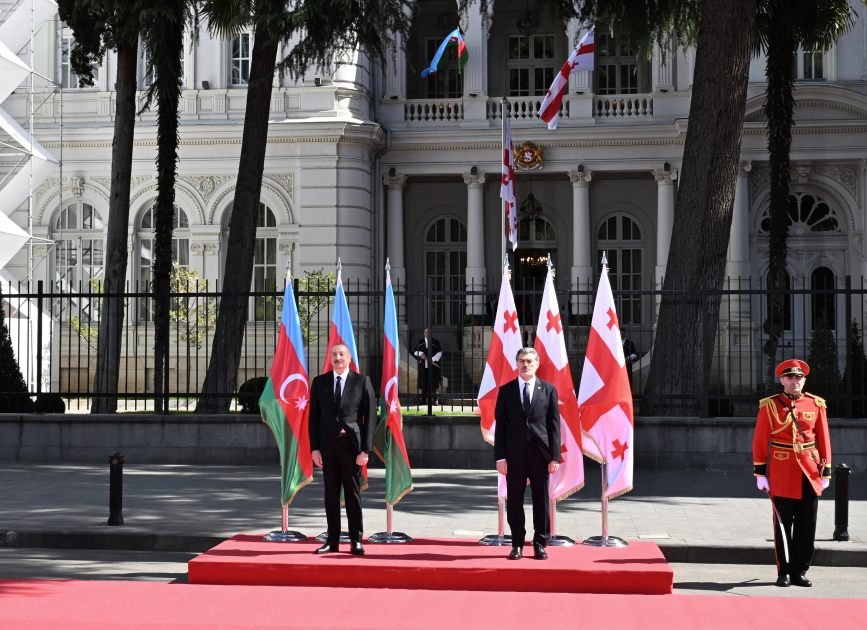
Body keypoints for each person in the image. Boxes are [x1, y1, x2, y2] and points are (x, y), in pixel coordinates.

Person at [753, 359, 832, 587]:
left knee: (807, 524)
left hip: (809, 472)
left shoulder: (816, 404)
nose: (794, 381)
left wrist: (825, 472)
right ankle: (784, 571)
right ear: (782, 380)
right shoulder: (770, 405)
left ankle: (800, 571)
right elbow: (760, 440)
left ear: (804, 380)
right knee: (783, 524)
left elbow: (824, 439)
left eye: (798, 378)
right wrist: (760, 473)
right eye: (790, 378)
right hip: (782, 471)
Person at [309, 343, 377, 556]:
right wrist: (314, 449)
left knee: (352, 494)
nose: (337, 358)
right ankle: (332, 541)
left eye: (341, 354)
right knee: (330, 495)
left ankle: (356, 540)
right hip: (328, 448)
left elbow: (370, 418)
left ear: (349, 358)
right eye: (334, 354)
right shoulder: (320, 382)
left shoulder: (362, 381)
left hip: (351, 448)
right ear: (330, 358)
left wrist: (365, 450)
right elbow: (314, 419)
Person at [494, 348, 561, 560]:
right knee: (515, 500)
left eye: (530, 361)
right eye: (522, 361)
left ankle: (540, 543)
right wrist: (500, 457)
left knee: (541, 500)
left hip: (540, 455)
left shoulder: (549, 390)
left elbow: (554, 426)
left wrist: (555, 457)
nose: (526, 365)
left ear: (537, 364)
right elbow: (500, 427)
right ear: (516, 364)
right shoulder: (506, 390)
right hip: (514, 456)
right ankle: (517, 544)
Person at [414, 328, 442, 405]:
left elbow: (439, 353)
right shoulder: (420, 342)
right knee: (424, 383)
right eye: (426, 332)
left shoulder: (435, 342)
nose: (427, 334)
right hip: (423, 366)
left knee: (434, 383)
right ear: (424, 333)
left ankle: (435, 399)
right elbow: (415, 351)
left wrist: (433, 359)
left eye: (428, 332)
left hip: (433, 366)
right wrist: (421, 353)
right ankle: (423, 400)